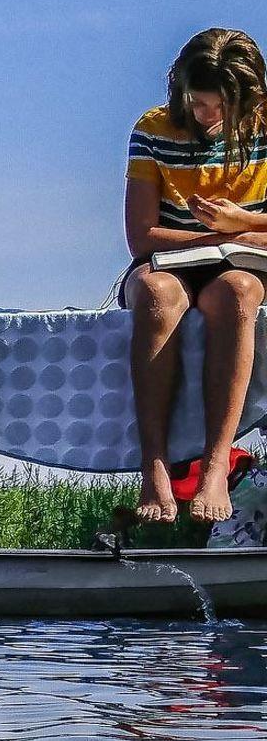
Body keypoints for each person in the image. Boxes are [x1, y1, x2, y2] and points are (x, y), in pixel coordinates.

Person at [124, 28, 267, 523]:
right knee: (157, 295)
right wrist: (213, 240)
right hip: (169, 261)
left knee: (238, 291)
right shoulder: (154, 128)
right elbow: (142, 237)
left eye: (224, 106)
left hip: (244, 264)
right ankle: (154, 468)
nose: (211, 117)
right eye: (201, 103)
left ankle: (215, 466)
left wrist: (241, 224)